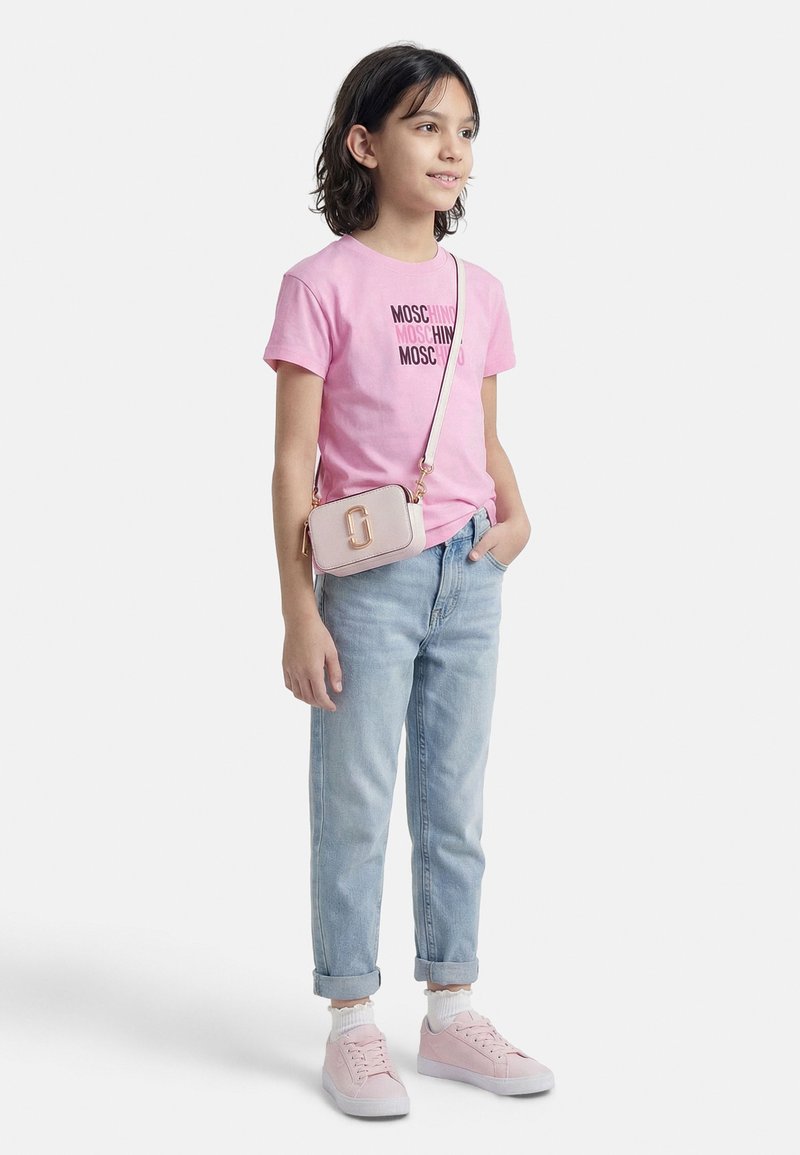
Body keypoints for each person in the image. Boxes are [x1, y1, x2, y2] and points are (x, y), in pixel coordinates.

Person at [262, 42, 554, 1117]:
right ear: (364, 142)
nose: (451, 149)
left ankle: (449, 1010)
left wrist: (517, 517)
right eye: (426, 125)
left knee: (453, 802)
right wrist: (299, 610)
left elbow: (482, 431)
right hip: (369, 581)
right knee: (353, 803)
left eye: (464, 131)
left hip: (469, 573)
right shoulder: (319, 285)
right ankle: (351, 1021)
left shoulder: (481, 291)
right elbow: (293, 460)